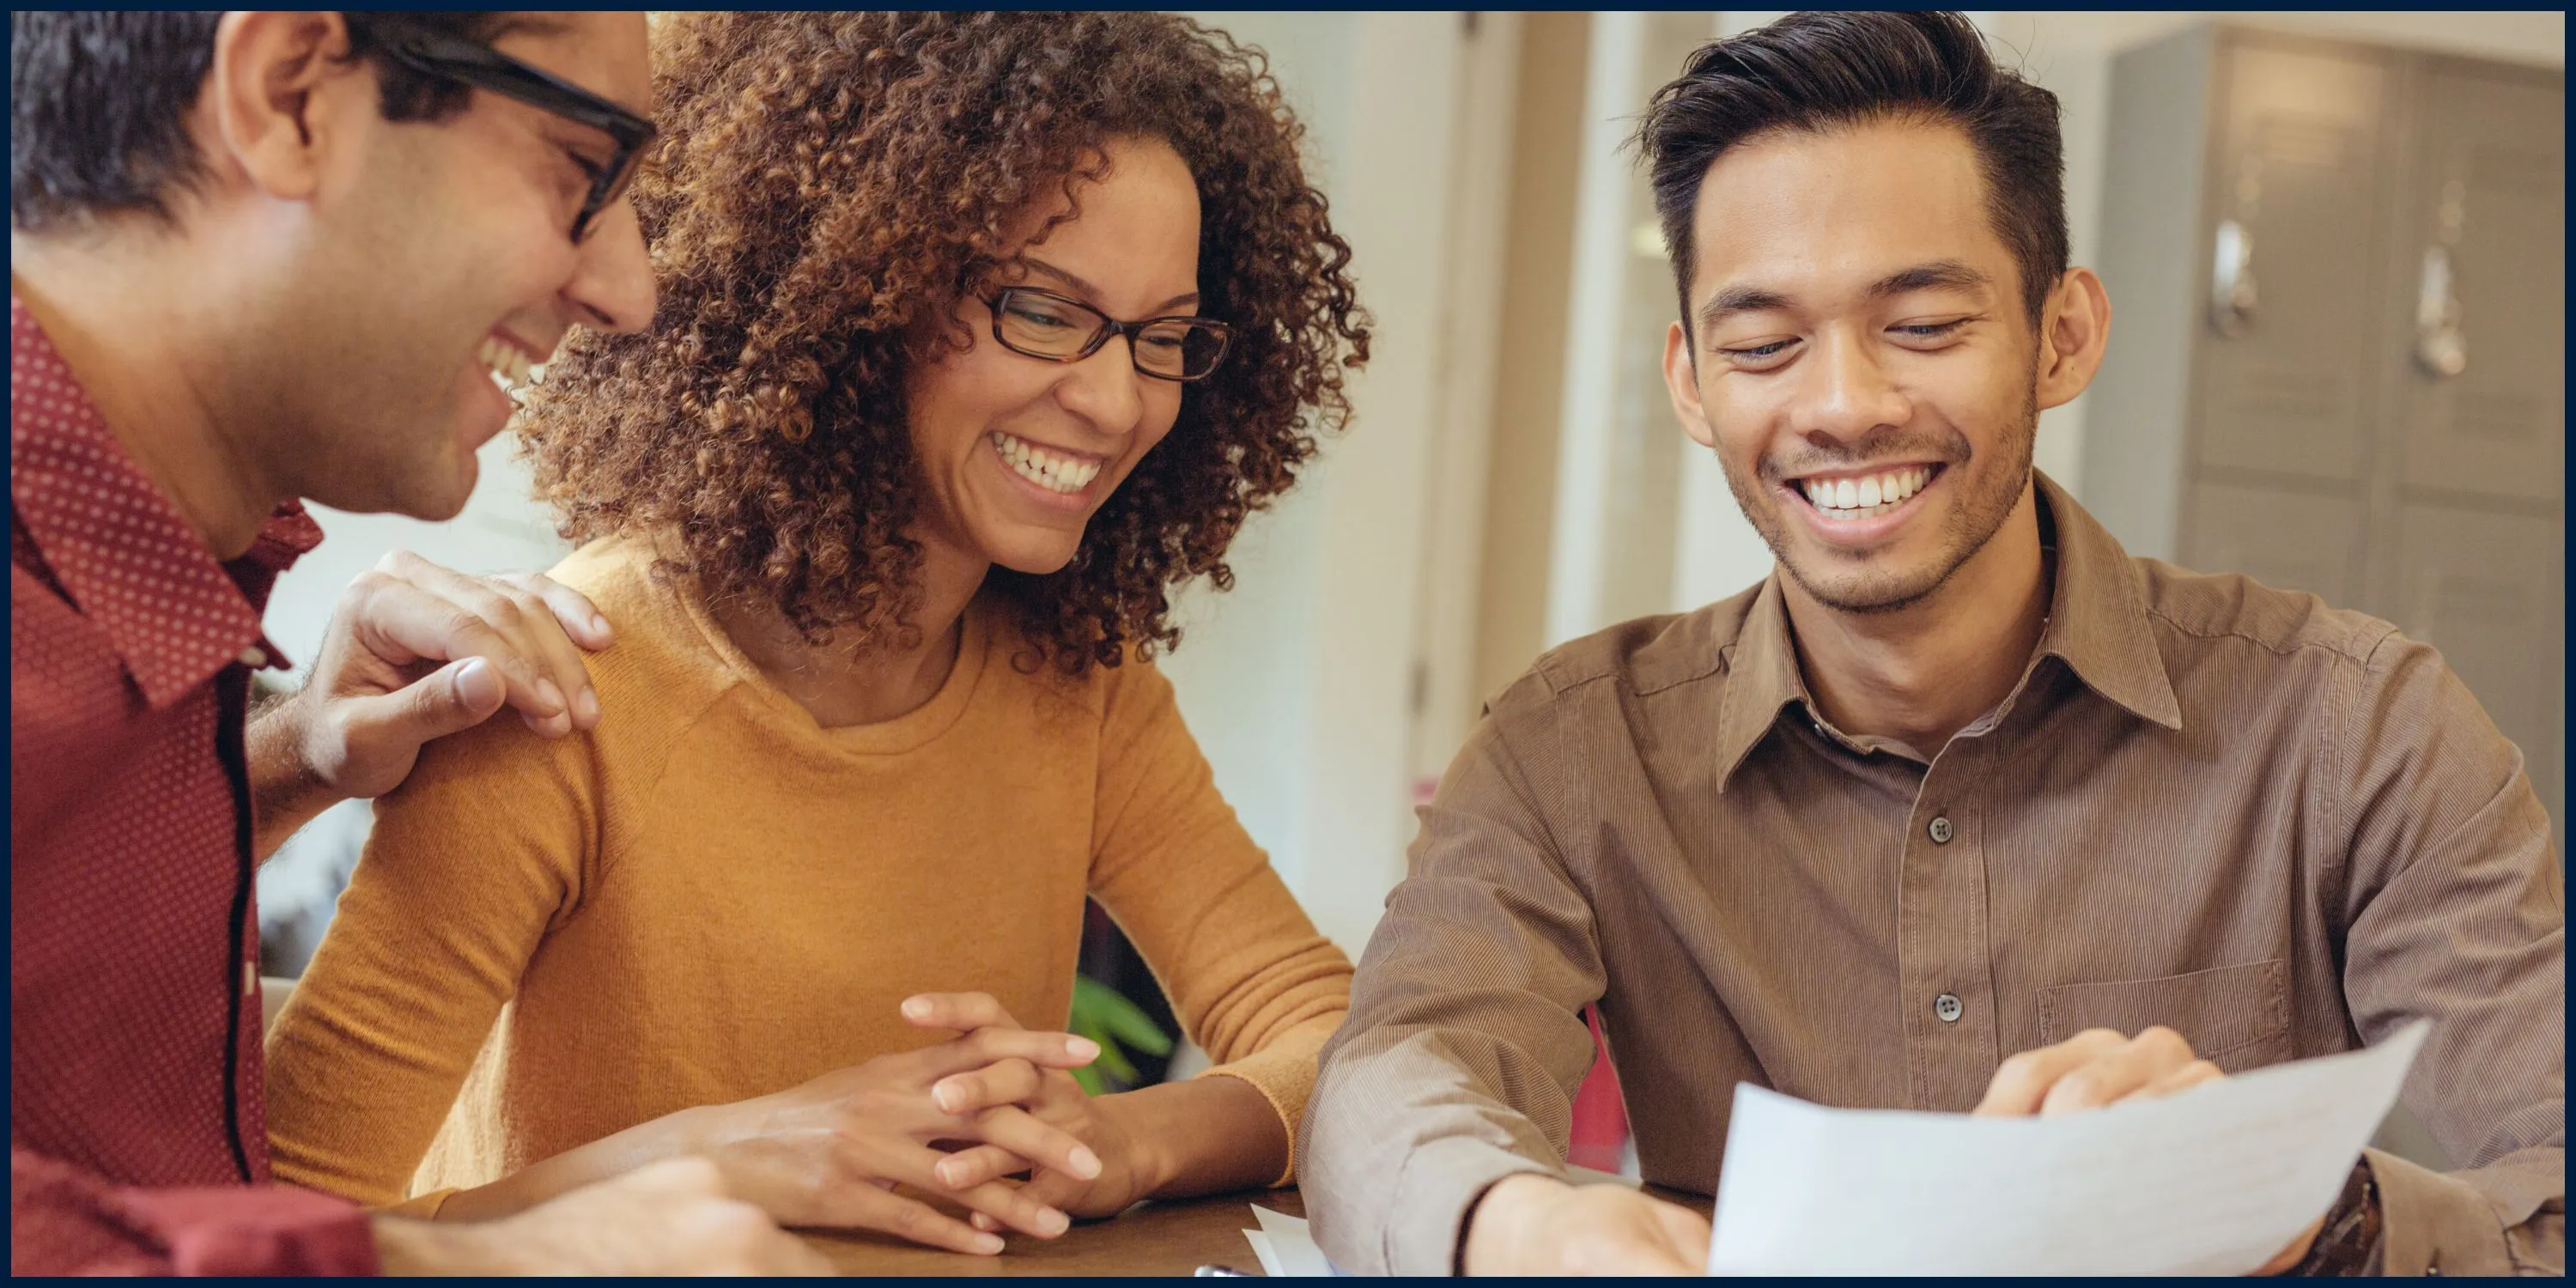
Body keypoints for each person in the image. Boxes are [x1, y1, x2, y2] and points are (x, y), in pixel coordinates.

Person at [1301, 10, 2562, 1277]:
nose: (1844, 406)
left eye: (1922, 325)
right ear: (1691, 382)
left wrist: (2310, 1212)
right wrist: (1515, 1220)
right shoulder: (1572, 747)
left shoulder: (2358, 728)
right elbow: (1397, 1068)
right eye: (1763, 346)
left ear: (2062, 334)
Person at [263, 10, 1367, 1259]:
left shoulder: (1082, 690)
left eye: (1161, 339)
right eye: (1042, 312)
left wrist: (1118, 1144)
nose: (1116, 403)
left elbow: (1338, 1043)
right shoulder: (560, 686)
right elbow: (286, 1230)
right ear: (857, 293)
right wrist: (702, 1165)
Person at [9, 10, 831, 1275]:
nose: (628, 292)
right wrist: (485, 1264)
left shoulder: (143, 571)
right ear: (292, 94)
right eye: (582, 168)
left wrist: (285, 759)